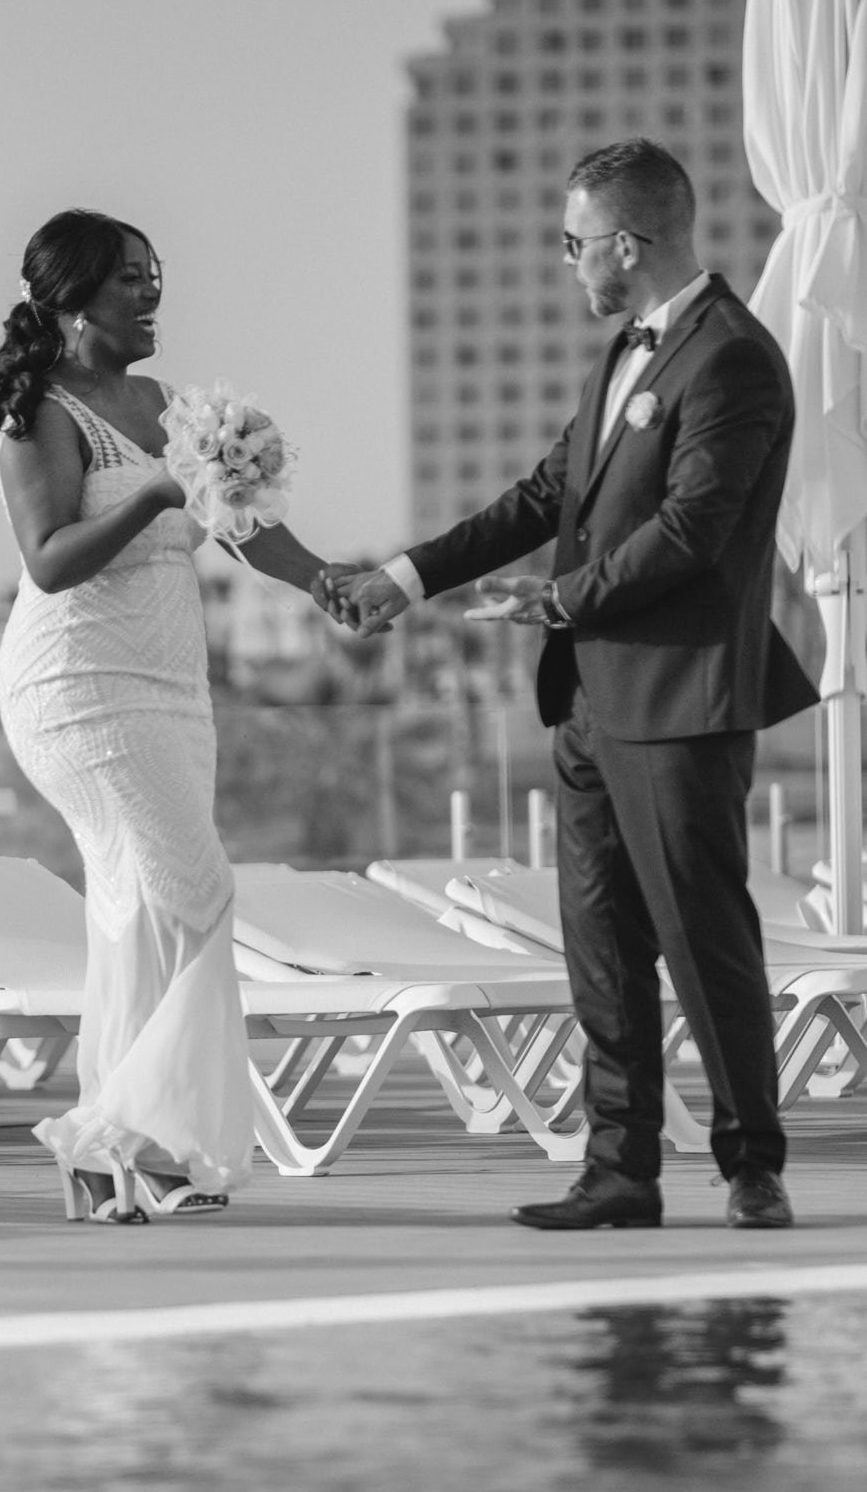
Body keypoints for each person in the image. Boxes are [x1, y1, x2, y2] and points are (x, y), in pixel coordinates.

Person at [325, 139, 817, 1232]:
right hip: (589, 701)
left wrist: (558, 601)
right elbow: (545, 494)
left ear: (625, 245)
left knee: (702, 941)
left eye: (572, 242)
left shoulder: (731, 356)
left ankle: (752, 1165)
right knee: (600, 948)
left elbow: (692, 530)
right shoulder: (620, 359)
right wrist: (404, 579)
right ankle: (619, 1170)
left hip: (679, 702)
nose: (565, 261)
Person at [0, 209, 328, 1222]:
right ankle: (134, 1138)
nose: (151, 291)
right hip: (78, 687)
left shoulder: (165, 403)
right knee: (191, 887)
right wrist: (156, 495)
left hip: (172, 686)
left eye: (155, 273)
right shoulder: (39, 414)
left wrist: (325, 581)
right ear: (72, 299)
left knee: (136, 911)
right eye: (129, 277)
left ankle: (114, 1151)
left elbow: (240, 526)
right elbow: (49, 560)